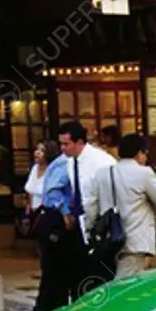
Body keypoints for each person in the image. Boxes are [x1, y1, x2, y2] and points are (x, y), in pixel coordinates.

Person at [85, 134, 156, 279]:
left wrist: (89, 230)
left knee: (107, 280)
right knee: (126, 285)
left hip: (108, 239)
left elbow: (91, 206)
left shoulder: (103, 173)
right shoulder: (145, 173)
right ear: (139, 153)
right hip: (134, 240)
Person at [58, 121, 117, 289]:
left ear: (79, 142)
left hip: (101, 228)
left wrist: (94, 226)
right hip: (79, 224)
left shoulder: (102, 162)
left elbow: (105, 199)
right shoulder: (71, 161)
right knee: (79, 274)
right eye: (61, 144)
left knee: (99, 276)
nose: (62, 148)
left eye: (66, 144)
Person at [33, 133, 77, 311]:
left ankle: (50, 303)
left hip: (51, 216)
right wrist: (66, 213)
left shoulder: (60, 162)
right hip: (55, 218)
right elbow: (53, 191)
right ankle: (50, 305)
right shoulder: (65, 163)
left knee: (53, 263)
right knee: (56, 263)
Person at [24, 140, 59, 311]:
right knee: (42, 254)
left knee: (48, 258)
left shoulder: (54, 170)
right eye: (36, 149)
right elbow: (30, 191)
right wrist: (28, 212)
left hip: (47, 214)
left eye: (41, 150)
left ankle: (48, 300)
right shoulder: (33, 169)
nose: (37, 153)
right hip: (35, 214)